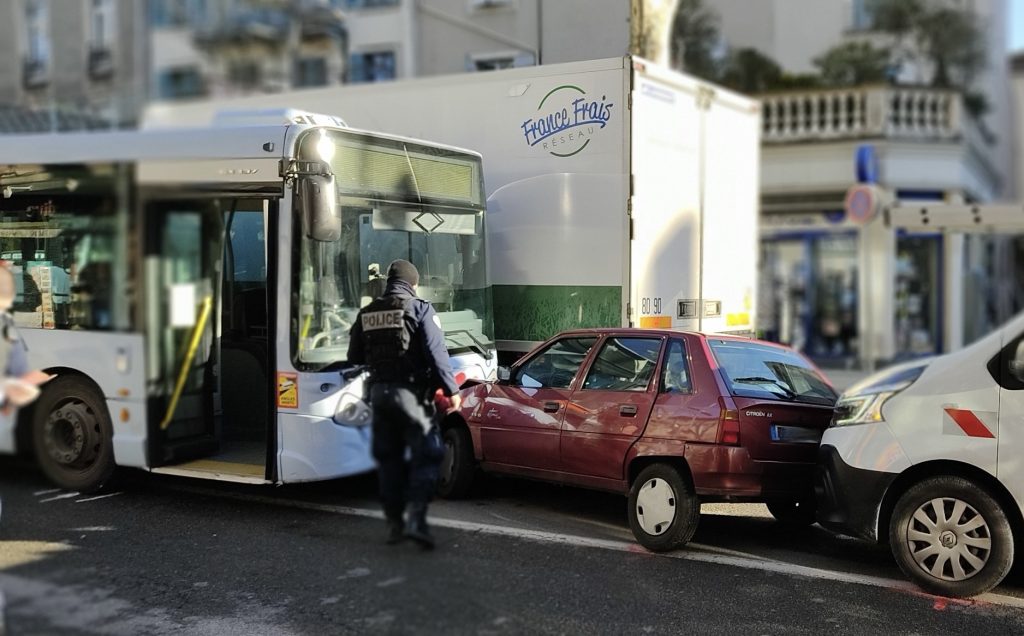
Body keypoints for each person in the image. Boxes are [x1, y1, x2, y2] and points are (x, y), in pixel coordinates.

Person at [347, 259, 461, 549]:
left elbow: (354, 356)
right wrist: (452, 390)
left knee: (390, 459)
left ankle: (395, 524)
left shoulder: (368, 312)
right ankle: (416, 521)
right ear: (413, 283)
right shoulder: (420, 308)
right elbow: (437, 354)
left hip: (378, 395)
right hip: (410, 395)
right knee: (429, 454)